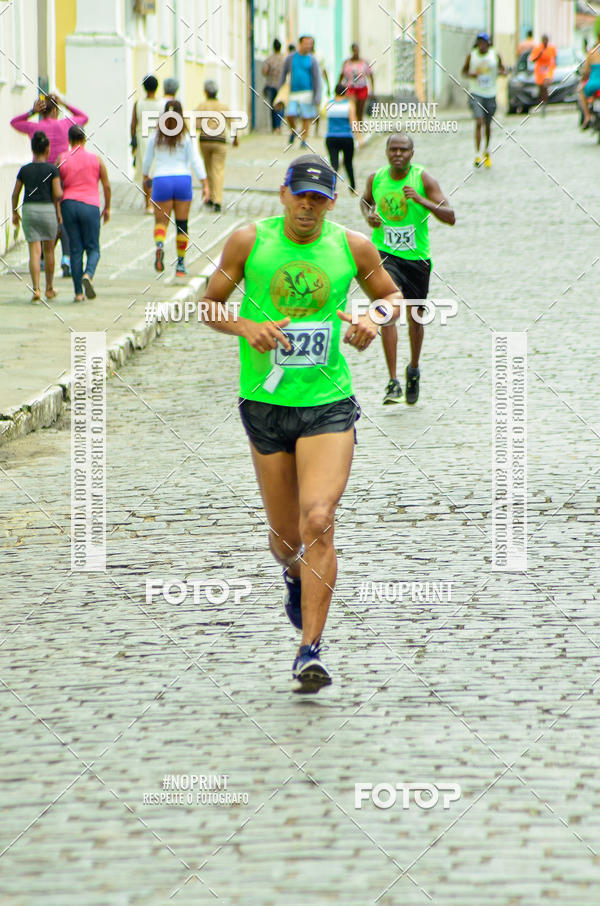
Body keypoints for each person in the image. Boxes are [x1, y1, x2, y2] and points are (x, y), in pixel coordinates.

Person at [199, 154, 402, 692]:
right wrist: (246, 327)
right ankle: (294, 575)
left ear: (330, 201)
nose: (308, 206)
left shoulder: (351, 246)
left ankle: (310, 649)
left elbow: (390, 297)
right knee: (287, 540)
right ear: (284, 194)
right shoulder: (248, 242)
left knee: (318, 520)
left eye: (319, 197)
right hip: (265, 404)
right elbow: (210, 305)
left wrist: (370, 319)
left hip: (328, 403)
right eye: (301, 195)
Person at [360, 133, 455, 405]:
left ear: (412, 154)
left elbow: (450, 216)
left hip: (417, 259)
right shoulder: (376, 179)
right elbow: (366, 201)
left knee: (416, 317)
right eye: (393, 149)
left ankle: (413, 368)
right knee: (388, 310)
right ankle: (392, 382)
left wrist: (421, 201)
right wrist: (370, 215)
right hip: (384, 253)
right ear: (387, 152)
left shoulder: (423, 179)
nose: (398, 154)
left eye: (403, 150)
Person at [10, 93, 88, 277]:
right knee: (63, 218)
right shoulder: (65, 124)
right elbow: (84, 118)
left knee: (44, 218)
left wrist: (31, 111)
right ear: (55, 110)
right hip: (61, 175)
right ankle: (66, 259)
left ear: (42, 111)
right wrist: (65, 104)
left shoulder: (35, 127)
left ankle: (43, 259)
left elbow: (14, 122)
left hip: (40, 175)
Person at [143, 99, 209, 277]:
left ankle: (159, 245)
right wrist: (205, 183)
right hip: (182, 179)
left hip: (161, 179)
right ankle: (180, 264)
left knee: (161, 222)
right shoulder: (186, 136)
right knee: (182, 225)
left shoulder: (155, 136)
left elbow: (147, 161)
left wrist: (145, 176)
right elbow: (195, 160)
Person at [57, 125, 111, 303]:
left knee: (75, 249)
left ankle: (78, 293)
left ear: (69, 140)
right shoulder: (96, 159)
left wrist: (58, 208)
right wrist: (107, 207)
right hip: (90, 205)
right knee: (93, 248)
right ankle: (88, 274)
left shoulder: (62, 159)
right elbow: (107, 185)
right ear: (85, 139)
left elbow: (57, 188)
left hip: (69, 205)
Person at [11, 131, 62, 302]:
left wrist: (14, 212)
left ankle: (36, 289)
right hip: (47, 210)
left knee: (34, 251)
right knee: (49, 250)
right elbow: (57, 193)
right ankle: (49, 288)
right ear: (47, 150)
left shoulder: (24, 170)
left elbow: (15, 194)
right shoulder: (52, 169)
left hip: (29, 210)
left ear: (33, 149)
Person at [462, 32, 505, 168]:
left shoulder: (494, 55)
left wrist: (501, 72)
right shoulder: (472, 56)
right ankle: (477, 154)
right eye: (480, 42)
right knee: (479, 122)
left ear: (488, 44)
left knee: (487, 124)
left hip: (491, 94)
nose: (482, 45)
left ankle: (487, 151)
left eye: (484, 42)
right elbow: (464, 72)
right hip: (476, 93)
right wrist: (472, 74)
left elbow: (502, 69)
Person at [197, 80, 238, 214]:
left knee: (208, 168)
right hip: (220, 141)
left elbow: (196, 125)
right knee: (218, 170)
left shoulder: (201, 106)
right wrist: (235, 138)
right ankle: (218, 200)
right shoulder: (223, 107)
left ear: (206, 92)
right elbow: (233, 124)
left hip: (205, 140)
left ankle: (210, 197)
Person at [279, 35, 322, 148]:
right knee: (290, 114)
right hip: (293, 92)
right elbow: (283, 73)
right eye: (306, 43)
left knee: (306, 117)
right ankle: (293, 131)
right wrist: (280, 90)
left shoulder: (312, 60)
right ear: (300, 44)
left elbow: (317, 78)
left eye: (310, 44)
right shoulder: (291, 58)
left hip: (307, 92)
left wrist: (317, 96)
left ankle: (304, 139)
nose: (308, 46)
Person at [131, 75, 163, 213]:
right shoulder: (162, 105)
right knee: (156, 171)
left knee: (146, 172)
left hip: (142, 139)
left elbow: (133, 124)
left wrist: (133, 142)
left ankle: (148, 203)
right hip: (157, 140)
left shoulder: (138, 104)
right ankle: (155, 201)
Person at [325, 83, 358, 192]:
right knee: (348, 163)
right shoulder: (349, 105)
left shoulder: (329, 104)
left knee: (334, 164)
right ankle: (353, 187)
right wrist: (359, 137)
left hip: (331, 137)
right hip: (346, 138)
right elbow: (353, 121)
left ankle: (332, 188)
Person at [339, 44, 374, 125]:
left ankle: (359, 127)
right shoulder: (347, 63)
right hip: (350, 88)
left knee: (360, 109)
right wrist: (339, 88)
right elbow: (341, 75)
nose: (355, 52)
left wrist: (372, 90)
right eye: (354, 50)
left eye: (357, 50)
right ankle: (352, 126)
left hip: (362, 88)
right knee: (352, 109)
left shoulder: (364, 62)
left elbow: (371, 76)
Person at [307, 38, 330, 136]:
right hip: (306, 85)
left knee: (317, 108)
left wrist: (328, 85)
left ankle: (316, 130)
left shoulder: (318, 56)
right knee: (306, 109)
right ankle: (306, 130)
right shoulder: (304, 56)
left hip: (317, 85)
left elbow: (324, 70)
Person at [263, 39, 285, 133]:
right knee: (280, 105)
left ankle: (274, 127)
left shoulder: (269, 59)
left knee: (272, 106)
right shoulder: (284, 59)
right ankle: (278, 126)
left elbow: (265, 71)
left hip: (271, 85)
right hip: (281, 86)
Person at [529, 35, 557, 111]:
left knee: (545, 85)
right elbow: (532, 60)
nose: (545, 42)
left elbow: (555, 57)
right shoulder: (537, 48)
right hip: (539, 70)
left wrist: (555, 65)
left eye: (546, 40)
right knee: (541, 88)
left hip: (548, 69)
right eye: (544, 40)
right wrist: (539, 55)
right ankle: (541, 101)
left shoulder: (552, 48)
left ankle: (545, 102)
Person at [579, 37, 600, 128]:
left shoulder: (591, 53)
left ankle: (587, 116)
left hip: (593, 84)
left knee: (581, 90)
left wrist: (583, 80)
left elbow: (586, 71)